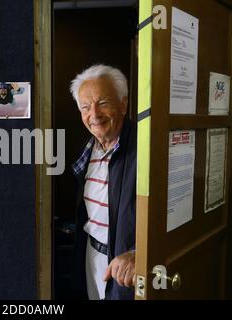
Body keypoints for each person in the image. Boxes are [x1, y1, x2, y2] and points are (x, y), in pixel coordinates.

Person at [70, 64, 136, 300]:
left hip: (125, 264)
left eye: (103, 102)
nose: (94, 114)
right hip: (92, 254)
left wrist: (140, 252)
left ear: (123, 104)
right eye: (86, 107)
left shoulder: (144, 150)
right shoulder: (87, 149)